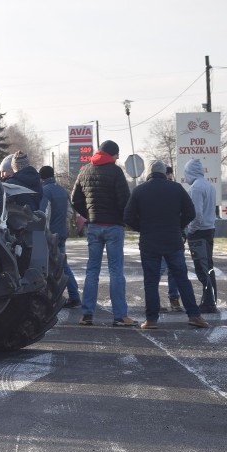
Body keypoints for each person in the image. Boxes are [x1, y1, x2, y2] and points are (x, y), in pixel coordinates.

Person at [123, 160, 209, 329]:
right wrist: (178, 226)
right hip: (173, 241)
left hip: (149, 242)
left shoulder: (140, 190)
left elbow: (128, 217)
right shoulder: (176, 188)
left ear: (149, 173)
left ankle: (151, 320)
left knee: (151, 281)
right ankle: (194, 315)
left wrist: (142, 228)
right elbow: (190, 212)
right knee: (182, 279)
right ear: (164, 173)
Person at [70, 140, 136, 327]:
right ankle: (120, 316)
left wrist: (89, 214)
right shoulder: (115, 172)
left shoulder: (85, 170)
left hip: (94, 226)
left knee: (92, 270)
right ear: (112, 154)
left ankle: (87, 314)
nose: (117, 158)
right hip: (113, 226)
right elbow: (125, 200)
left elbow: (75, 199)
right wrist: (124, 219)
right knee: (115, 271)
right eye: (117, 155)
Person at [39, 165, 80, 308]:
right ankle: (71, 296)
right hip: (62, 232)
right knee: (61, 265)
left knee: (59, 267)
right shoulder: (62, 190)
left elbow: (43, 214)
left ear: (41, 177)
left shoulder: (45, 191)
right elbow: (70, 212)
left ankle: (73, 296)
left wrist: (45, 232)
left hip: (51, 235)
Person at [184, 158, 219, 313]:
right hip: (210, 229)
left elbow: (196, 214)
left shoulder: (196, 188)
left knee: (201, 268)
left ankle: (209, 303)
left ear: (190, 172)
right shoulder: (209, 186)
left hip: (199, 232)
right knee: (208, 267)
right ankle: (211, 299)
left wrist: (189, 230)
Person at [159, 165, 185, 313]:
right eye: (168, 175)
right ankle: (172, 299)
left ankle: (174, 298)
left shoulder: (176, 189)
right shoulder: (176, 189)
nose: (169, 177)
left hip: (171, 234)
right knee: (165, 268)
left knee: (172, 270)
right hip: (169, 234)